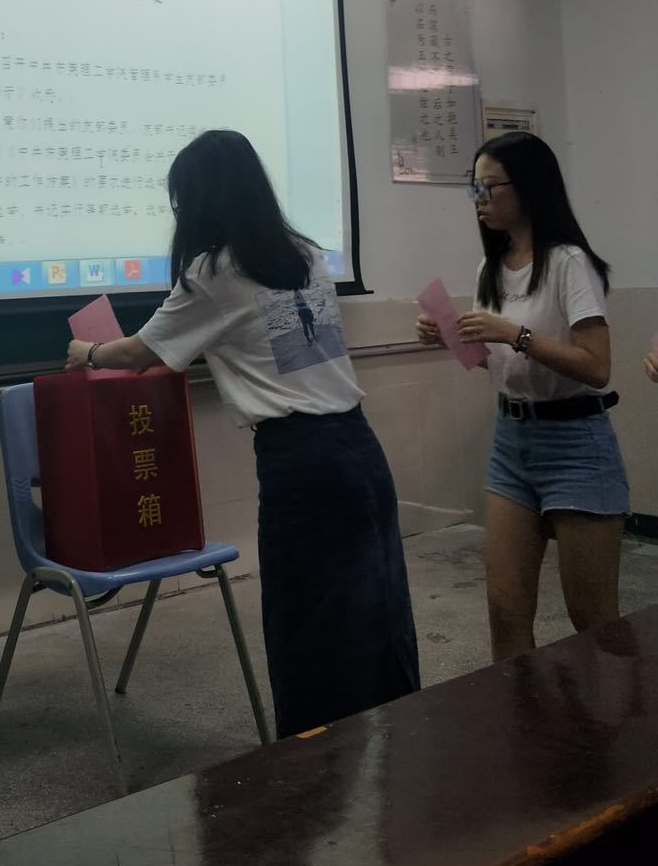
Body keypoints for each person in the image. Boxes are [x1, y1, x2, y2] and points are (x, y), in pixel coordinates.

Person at [66, 129, 420, 739]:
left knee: (305, 625)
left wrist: (87, 351)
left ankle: (313, 764)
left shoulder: (215, 272)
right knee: (375, 609)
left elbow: (137, 352)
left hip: (300, 462)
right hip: (359, 448)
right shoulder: (305, 254)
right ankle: (391, 744)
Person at [416, 132, 627, 662]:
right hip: (511, 444)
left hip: (575, 444)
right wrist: (450, 337)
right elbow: (493, 360)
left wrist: (515, 334)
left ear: (529, 187)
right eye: (474, 189)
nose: (480, 200)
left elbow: (596, 367)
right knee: (506, 611)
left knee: (594, 621)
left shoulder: (568, 262)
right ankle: (519, 715)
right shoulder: (491, 267)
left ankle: (621, 714)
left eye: (489, 187)